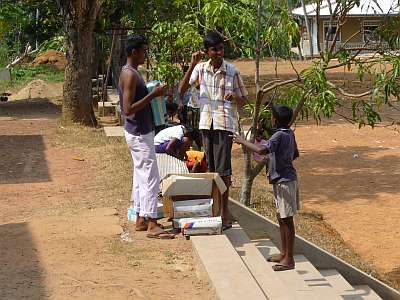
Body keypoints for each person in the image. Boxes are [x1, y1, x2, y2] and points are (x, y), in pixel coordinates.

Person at [179, 31, 248, 230]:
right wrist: (192, 64)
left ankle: (224, 213)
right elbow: (182, 90)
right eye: (214, 49)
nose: (219, 52)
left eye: (221, 48)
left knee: (224, 171)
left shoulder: (232, 71)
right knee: (209, 169)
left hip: (224, 124)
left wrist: (235, 97)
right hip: (206, 123)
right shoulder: (200, 69)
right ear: (207, 52)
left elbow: (244, 99)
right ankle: (213, 210)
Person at [119, 34, 174, 239]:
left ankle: (141, 218)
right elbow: (127, 109)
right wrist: (153, 95)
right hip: (139, 132)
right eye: (143, 51)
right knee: (150, 177)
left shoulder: (131, 72)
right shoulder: (130, 75)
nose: (145, 55)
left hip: (138, 131)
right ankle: (152, 223)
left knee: (140, 176)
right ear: (134, 52)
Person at [232, 105, 300, 271]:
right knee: (282, 218)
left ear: (275, 119)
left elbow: (262, 150)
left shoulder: (278, 136)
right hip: (285, 178)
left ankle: (289, 259)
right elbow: (295, 153)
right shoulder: (289, 133)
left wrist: (242, 141)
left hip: (284, 181)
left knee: (287, 219)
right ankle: (284, 253)